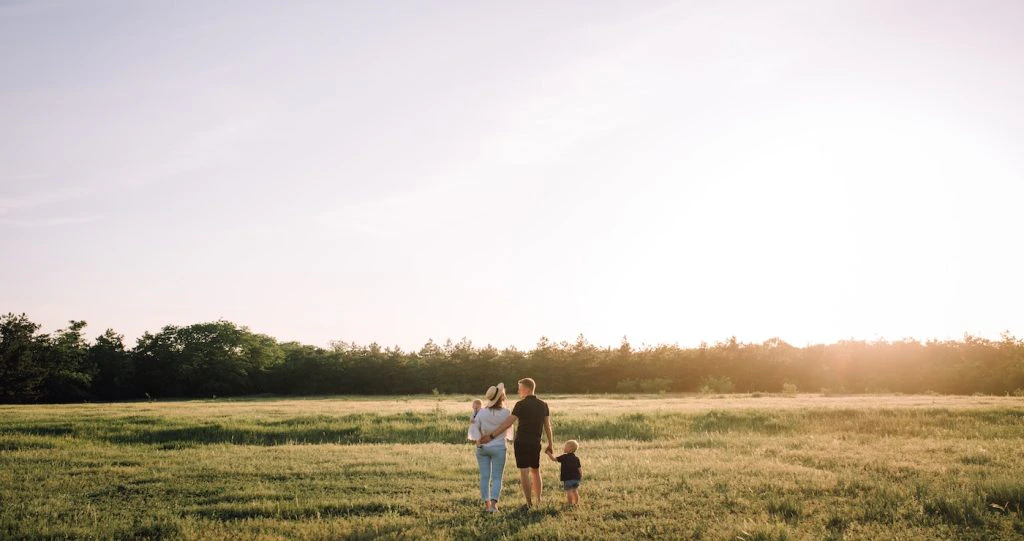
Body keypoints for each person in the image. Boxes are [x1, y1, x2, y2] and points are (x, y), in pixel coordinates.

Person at [479, 377, 553, 507]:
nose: (519, 391)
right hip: (536, 442)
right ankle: (539, 500)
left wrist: (491, 436)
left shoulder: (520, 404)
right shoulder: (543, 405)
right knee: (536, 470)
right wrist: (550, 444)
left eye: (520, 389)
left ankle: (529, 503)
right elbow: (548, 426)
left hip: (522, 442)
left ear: (527, 389)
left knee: (524, 471)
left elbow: (508, 423)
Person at [471, 383, 512, 513]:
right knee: (497, 477)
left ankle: (487, 505)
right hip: (499, 448)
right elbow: (509, 432)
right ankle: (494, 506)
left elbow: (474, 430)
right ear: (502, 397)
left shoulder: (481, 412)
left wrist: (478, 441)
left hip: (482, 448)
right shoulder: (507, 412)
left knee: (484, 477)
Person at [546, 439, 582, 506]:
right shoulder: (576, 458)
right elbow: (579, 468)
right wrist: (580, 476)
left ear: (570, 449)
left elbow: (554, 459)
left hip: (568, 478)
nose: (564, 447)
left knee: (569, 491)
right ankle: (577, 503)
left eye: (566, 446)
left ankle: (570, 504)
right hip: (576, 478)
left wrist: (548, 453)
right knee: (574, 491)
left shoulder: (564, 457)